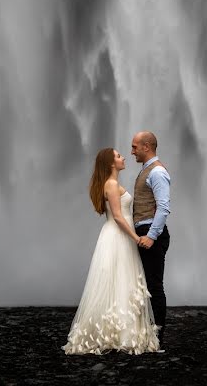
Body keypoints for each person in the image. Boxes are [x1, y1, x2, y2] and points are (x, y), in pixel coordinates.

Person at [62, 148, 160, 355]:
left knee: (118, 281)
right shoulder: (112, 184)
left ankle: (116, 332)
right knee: (121, 279)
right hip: (118, 235)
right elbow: (117, 216)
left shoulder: (110, 183)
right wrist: (136, 238)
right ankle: (122, 333)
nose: (123, 157)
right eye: (118, 156)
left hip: (115, 235)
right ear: (110, 164)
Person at [130, 131, 171, 350]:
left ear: (147, 146)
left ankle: (157, 339)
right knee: (146, 285)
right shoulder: (146, 171)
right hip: (144, 231)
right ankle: (147, 335)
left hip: (151, 233)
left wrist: (151, 236)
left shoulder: (157, 172)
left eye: (135, 146)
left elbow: (163, 207)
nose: (132, 151)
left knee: (154, 286)